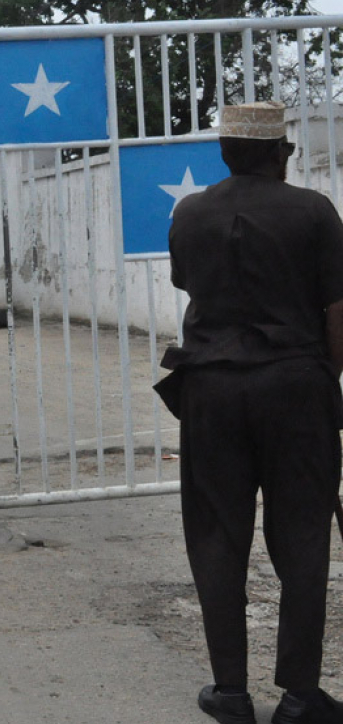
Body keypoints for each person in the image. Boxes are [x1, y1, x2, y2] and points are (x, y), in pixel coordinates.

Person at [159, 101, 343, 724]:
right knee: (302, 536)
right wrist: (325, 379)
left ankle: (230, 692)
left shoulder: (190, 212)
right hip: (295, 385)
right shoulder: (314, 211)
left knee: (216, 533)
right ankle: (298, 696)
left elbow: (192, 284)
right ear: (278, 152)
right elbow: (337, 311)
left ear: (224, 153)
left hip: (211, 387)